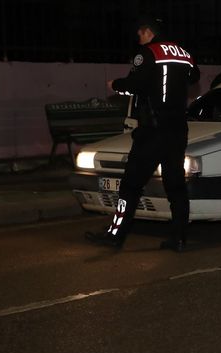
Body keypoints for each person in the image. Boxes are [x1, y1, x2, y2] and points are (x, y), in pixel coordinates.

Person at [85, 16, 200, 252]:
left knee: (130, 185)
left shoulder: (147, 53)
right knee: (175, 185)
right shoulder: (183, 53)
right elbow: (194, 77)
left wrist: (116, 85)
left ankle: (116, 235)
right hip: (178, 129)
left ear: (148, 32)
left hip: (153, 130)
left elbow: (135, 85)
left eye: (139, 34)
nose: (138, 38)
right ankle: (178, 237)